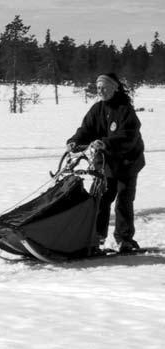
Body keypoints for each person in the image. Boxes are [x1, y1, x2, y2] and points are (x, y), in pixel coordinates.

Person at [66, 73, 145, 252]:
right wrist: (74, 142)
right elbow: (86, 129)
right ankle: (96, 238)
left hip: (127, 162)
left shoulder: (125, 110)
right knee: (101, 198)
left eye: (104, 87)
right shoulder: (97, 109)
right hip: (106, 162)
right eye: (98, 87)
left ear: (114, 88)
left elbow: (129, 136)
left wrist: (106, 143)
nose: (100, 91)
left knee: (124, 200)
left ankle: (124, 239)